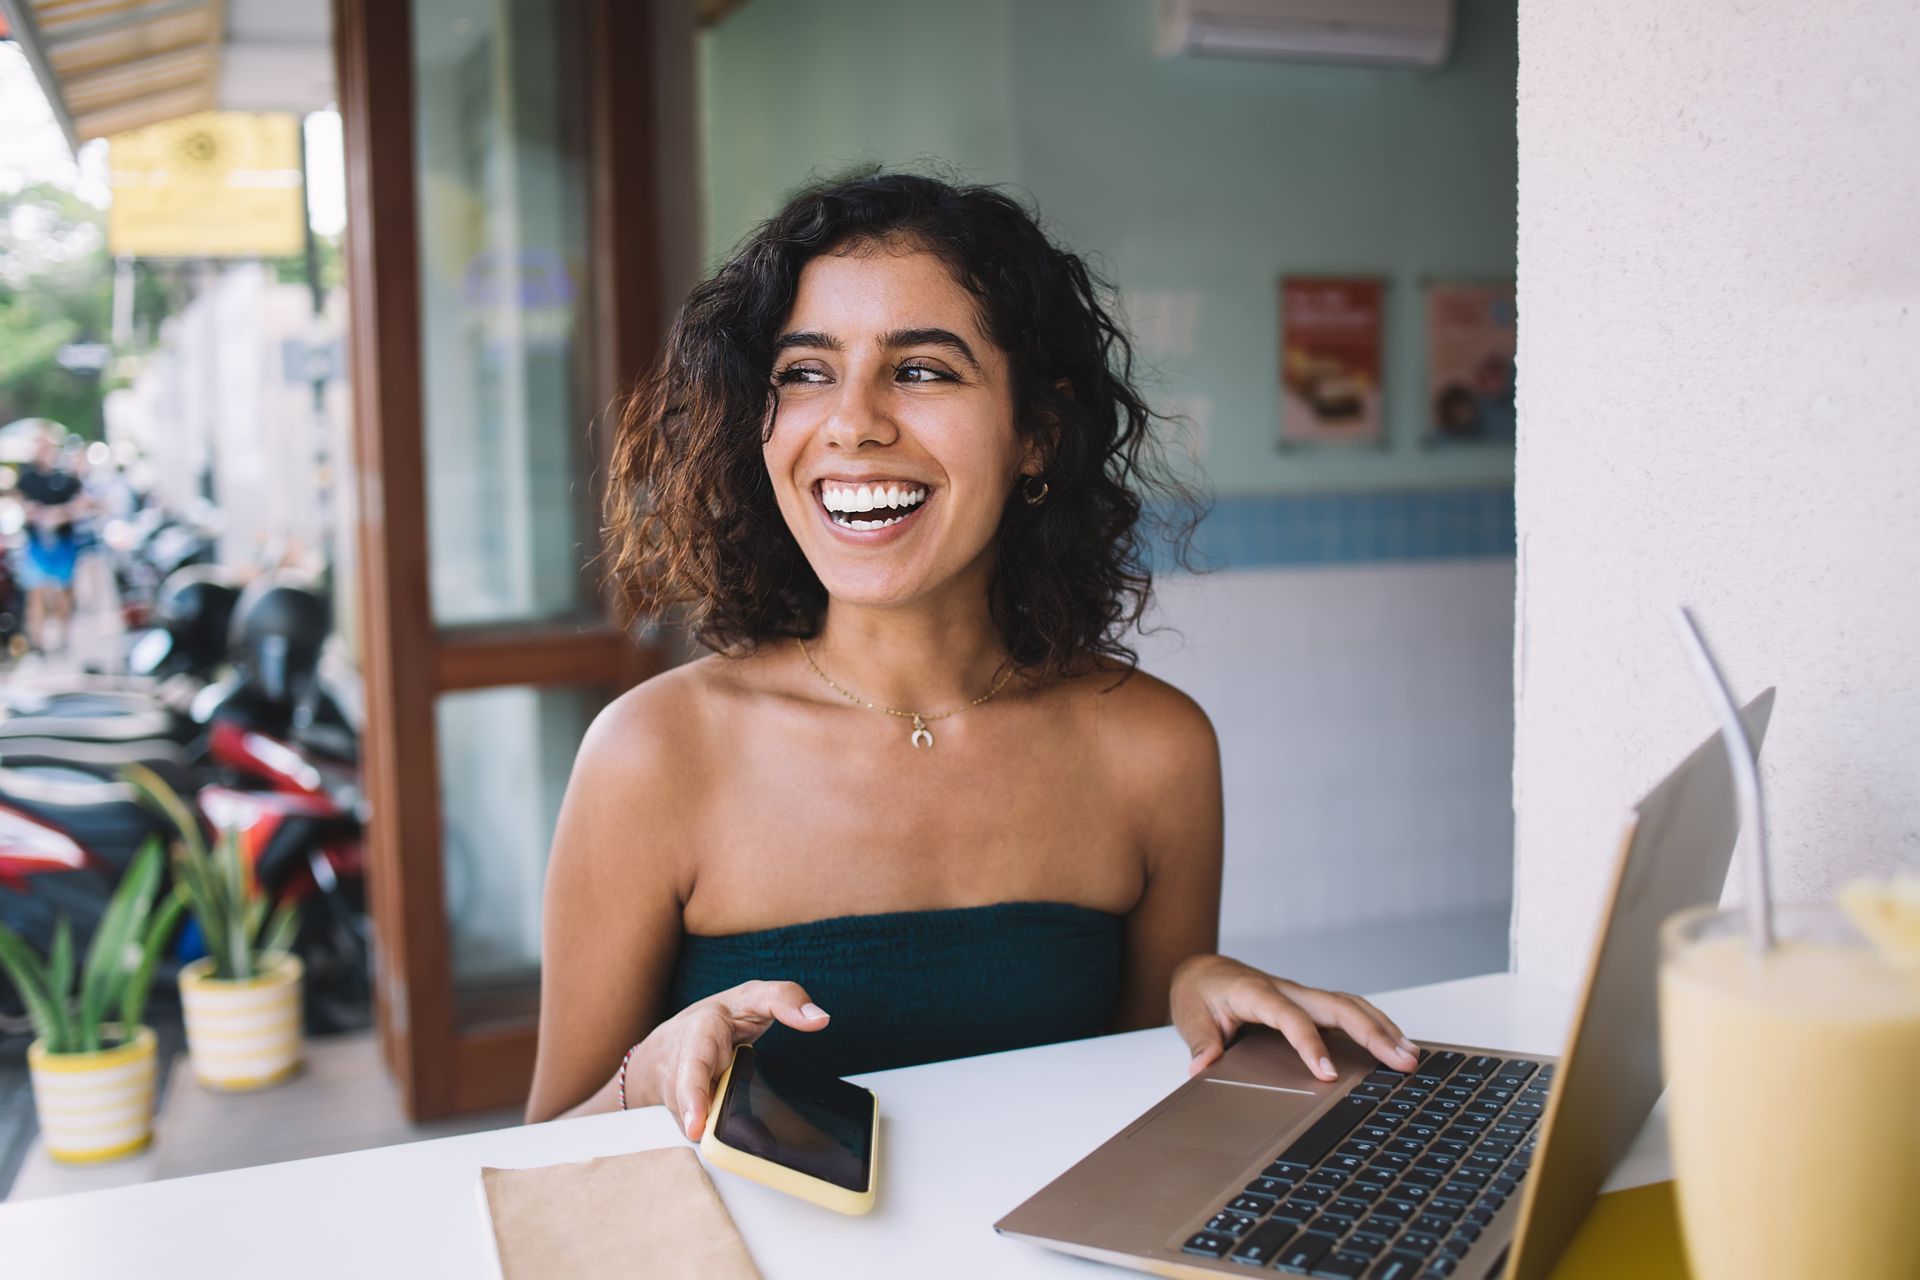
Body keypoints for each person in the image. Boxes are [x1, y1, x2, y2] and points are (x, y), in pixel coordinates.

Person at [524, 173, 1419, 1133]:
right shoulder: (652, 755)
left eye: (921, 370)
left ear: (1036, 432)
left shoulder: (1156, 750)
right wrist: (652, 1075)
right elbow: (545, 1147)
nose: (854, 421)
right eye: (805, 372)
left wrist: (1196, 995)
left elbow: (1139, 1119)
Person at [15, 429, 85, 654]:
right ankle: (38, 640)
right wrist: (31, 512)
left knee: (63, 592)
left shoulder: (65, 478)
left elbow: (83, 504)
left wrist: (60, 513)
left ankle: (64, 636)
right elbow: (19, 503)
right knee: (36, 592)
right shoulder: (27, 478)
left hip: (63, 541)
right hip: (37, 543)